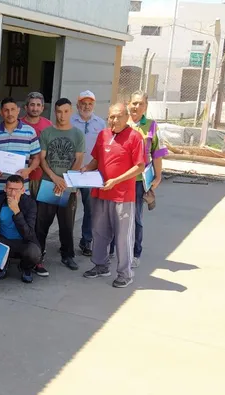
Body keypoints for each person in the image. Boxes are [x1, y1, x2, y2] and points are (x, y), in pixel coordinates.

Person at [81, 103, 145, 288]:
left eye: (118, 116)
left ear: (126, 117)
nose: (114, 120)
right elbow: (97, 159)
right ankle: (100, 266)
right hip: (100, 192)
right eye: (111, 117)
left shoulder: (134, 137)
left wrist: (116, 181)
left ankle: (125, 274)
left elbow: (139, 166)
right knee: (99, 232)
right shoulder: (103, 134)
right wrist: (86, 168)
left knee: (123, 237)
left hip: (122, 196)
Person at [109, 90, 167, 268]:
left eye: (141, 103)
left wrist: (158, 176)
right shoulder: (121, 122)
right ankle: (111, 250)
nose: (137, 106)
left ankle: (135, 253)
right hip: (118, 179)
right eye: (134, 103)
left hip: (138, 181)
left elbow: (157, 153)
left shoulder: (151, 126)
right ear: (128, 104)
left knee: (135, 218)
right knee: (114, 215)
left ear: (146, 107)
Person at [34, 98, 86, 276]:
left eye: (65, 111)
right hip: (48, 183)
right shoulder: (47, 132)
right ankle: (38, 254)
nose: (62, 115)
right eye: (58, 112)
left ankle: (67, 255)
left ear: (71, 112)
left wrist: (65, 180)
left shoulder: (78, 134)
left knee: (66, 223)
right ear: (54, 112)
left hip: (67, 186)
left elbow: (79, 159)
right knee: (42, 223)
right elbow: (42, 159)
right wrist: (54, 178)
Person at [71, 90, 107, 256]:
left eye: (90, 104)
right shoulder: (70, 121)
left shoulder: (101, 124)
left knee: (90, 209)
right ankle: (66, 243)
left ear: (94, 105)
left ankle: (86, 241)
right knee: (67, 209)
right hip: (71, 171)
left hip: (90, 172)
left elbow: (103, 149)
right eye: (83, 103)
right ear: (78, 105)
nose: (86, 107)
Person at [0, 97, 41, 197]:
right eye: (6, 110)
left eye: (13, 109)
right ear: (1, 112)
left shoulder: (29, 131)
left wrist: (28, 170)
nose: (10, 113)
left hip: (20, 190)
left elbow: (37, 157)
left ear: (18, 110)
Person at [20, 92, 54, 198]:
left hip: (43, 176)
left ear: (42, 108)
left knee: (41, 207)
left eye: (38, 105)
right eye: (32, 105)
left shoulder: (49, 125)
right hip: (21, 175)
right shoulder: (18, 124)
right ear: (26, 107)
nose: (35, 108)